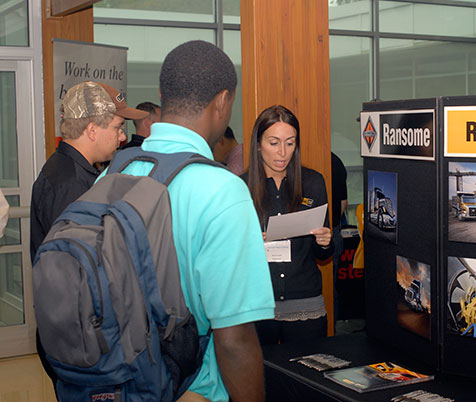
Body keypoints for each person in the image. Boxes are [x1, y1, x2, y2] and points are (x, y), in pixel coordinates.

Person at [101, 40, 274, 402]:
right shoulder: (222, 191)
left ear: (163, 94)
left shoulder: (115, 171)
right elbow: (235, 339)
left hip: (116, 377)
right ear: (223, 101)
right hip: (190, 389)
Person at [30, 80, 148, 391]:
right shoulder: (68, 185)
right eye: (118, 126)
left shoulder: (78, 173)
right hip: (80, 344)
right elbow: (77, 278)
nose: (123, 137)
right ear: (92, 130)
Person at [242, 104, 333, 345]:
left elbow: (324, 252)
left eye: (290, 143)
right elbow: (226, 254)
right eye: (274, 143)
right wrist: (249, 243)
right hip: (257, 304)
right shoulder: (239, 187)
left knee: (307, 378)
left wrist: (325, 242)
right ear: (258, 143)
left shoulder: (312, 182)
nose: (282, 152)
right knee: (259, 381)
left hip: (305, 301)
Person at [331, 151, 348, 323]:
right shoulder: (335, 160)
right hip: (333, 230)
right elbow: (344, 204)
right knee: (330, 290)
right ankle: (330, 334)